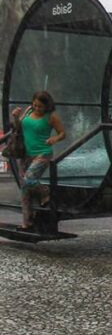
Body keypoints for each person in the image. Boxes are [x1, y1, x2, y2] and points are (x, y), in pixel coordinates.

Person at [11, 91, 66, 231]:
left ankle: (45, 192)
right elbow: (18, 128)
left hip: (43, 154)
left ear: (47, 106)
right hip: (26, 155)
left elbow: (62, 133)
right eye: (35, 105)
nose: (37, 108)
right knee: (25, 189)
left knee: (29, 179)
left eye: (40, 106)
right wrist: (16, 117)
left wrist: (55, 139)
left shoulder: (51, 117)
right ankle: (27, 221)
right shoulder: (29, 112)